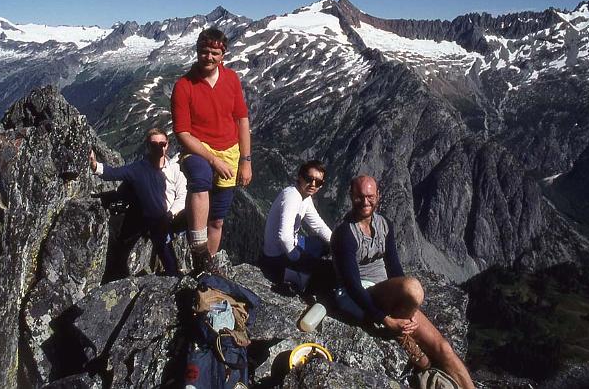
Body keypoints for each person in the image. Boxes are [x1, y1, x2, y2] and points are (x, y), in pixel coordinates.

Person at [331, 175, 474, 389]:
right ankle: (399, 332)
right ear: (351, 196)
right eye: (359, 197)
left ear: (378, 196)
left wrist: (409, 307)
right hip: (358, 295)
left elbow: (395, 268)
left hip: (385, 294)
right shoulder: (345, 234)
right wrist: (386, 320)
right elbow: (352, 285)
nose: (365, 202)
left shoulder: (384, 225)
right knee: (413, 288)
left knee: (444, 349)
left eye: (370, 196)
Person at [170, 27, 252, 273]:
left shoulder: (232, 79)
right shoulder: (184, 86)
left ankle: (207, 268)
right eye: (204, 51)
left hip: (230, 150)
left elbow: (242, 120)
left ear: (223, 55)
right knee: (201, 178)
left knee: (217, 219)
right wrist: (214, 160)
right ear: (197, 51)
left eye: (215, 53)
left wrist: (246, 161)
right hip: (197, 149)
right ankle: (198, 250)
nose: (209, 57)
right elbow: (182, 133)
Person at [89, 128, 186, 276]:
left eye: (162, 143)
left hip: (169, 217)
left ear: (167, 145)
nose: (159, 147)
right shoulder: (139, 169)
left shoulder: (175, 170)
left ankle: (177, 271)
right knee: (148, 242)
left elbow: (182, 196)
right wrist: (95, 165)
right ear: (148, 146)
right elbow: (114, 173)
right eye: (154, 144)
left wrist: (171, 214)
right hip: (147, 217)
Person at [260, 160, 332, 293]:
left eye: (318, 182)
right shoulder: (292, 196)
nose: (313, 184)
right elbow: (284, 237)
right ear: (300, 177)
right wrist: (298, 258)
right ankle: (294, 281)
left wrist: (337, 243)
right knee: (321, 269)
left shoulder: (305, 197)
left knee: (322, 244)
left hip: (290, 244)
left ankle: (299, 274)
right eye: (309, 179)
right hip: (276, 256)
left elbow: (318, 225)